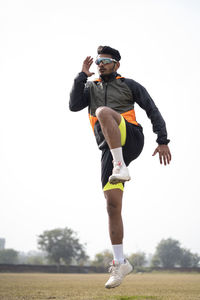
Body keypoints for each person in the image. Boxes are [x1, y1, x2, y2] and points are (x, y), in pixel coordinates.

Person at [69, 46, 171, 288]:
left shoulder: (129, 84)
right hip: (108, 149)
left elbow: (152, 109)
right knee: (112, 206)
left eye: (106, 61)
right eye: (98, 62)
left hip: (131, 137)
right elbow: (74, 105)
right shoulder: (89, 86)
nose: (100, 64)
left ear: (116, 64)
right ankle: (120, 263)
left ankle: (120, 165)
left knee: (104, 111)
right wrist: (81, 75)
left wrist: (163, 140)